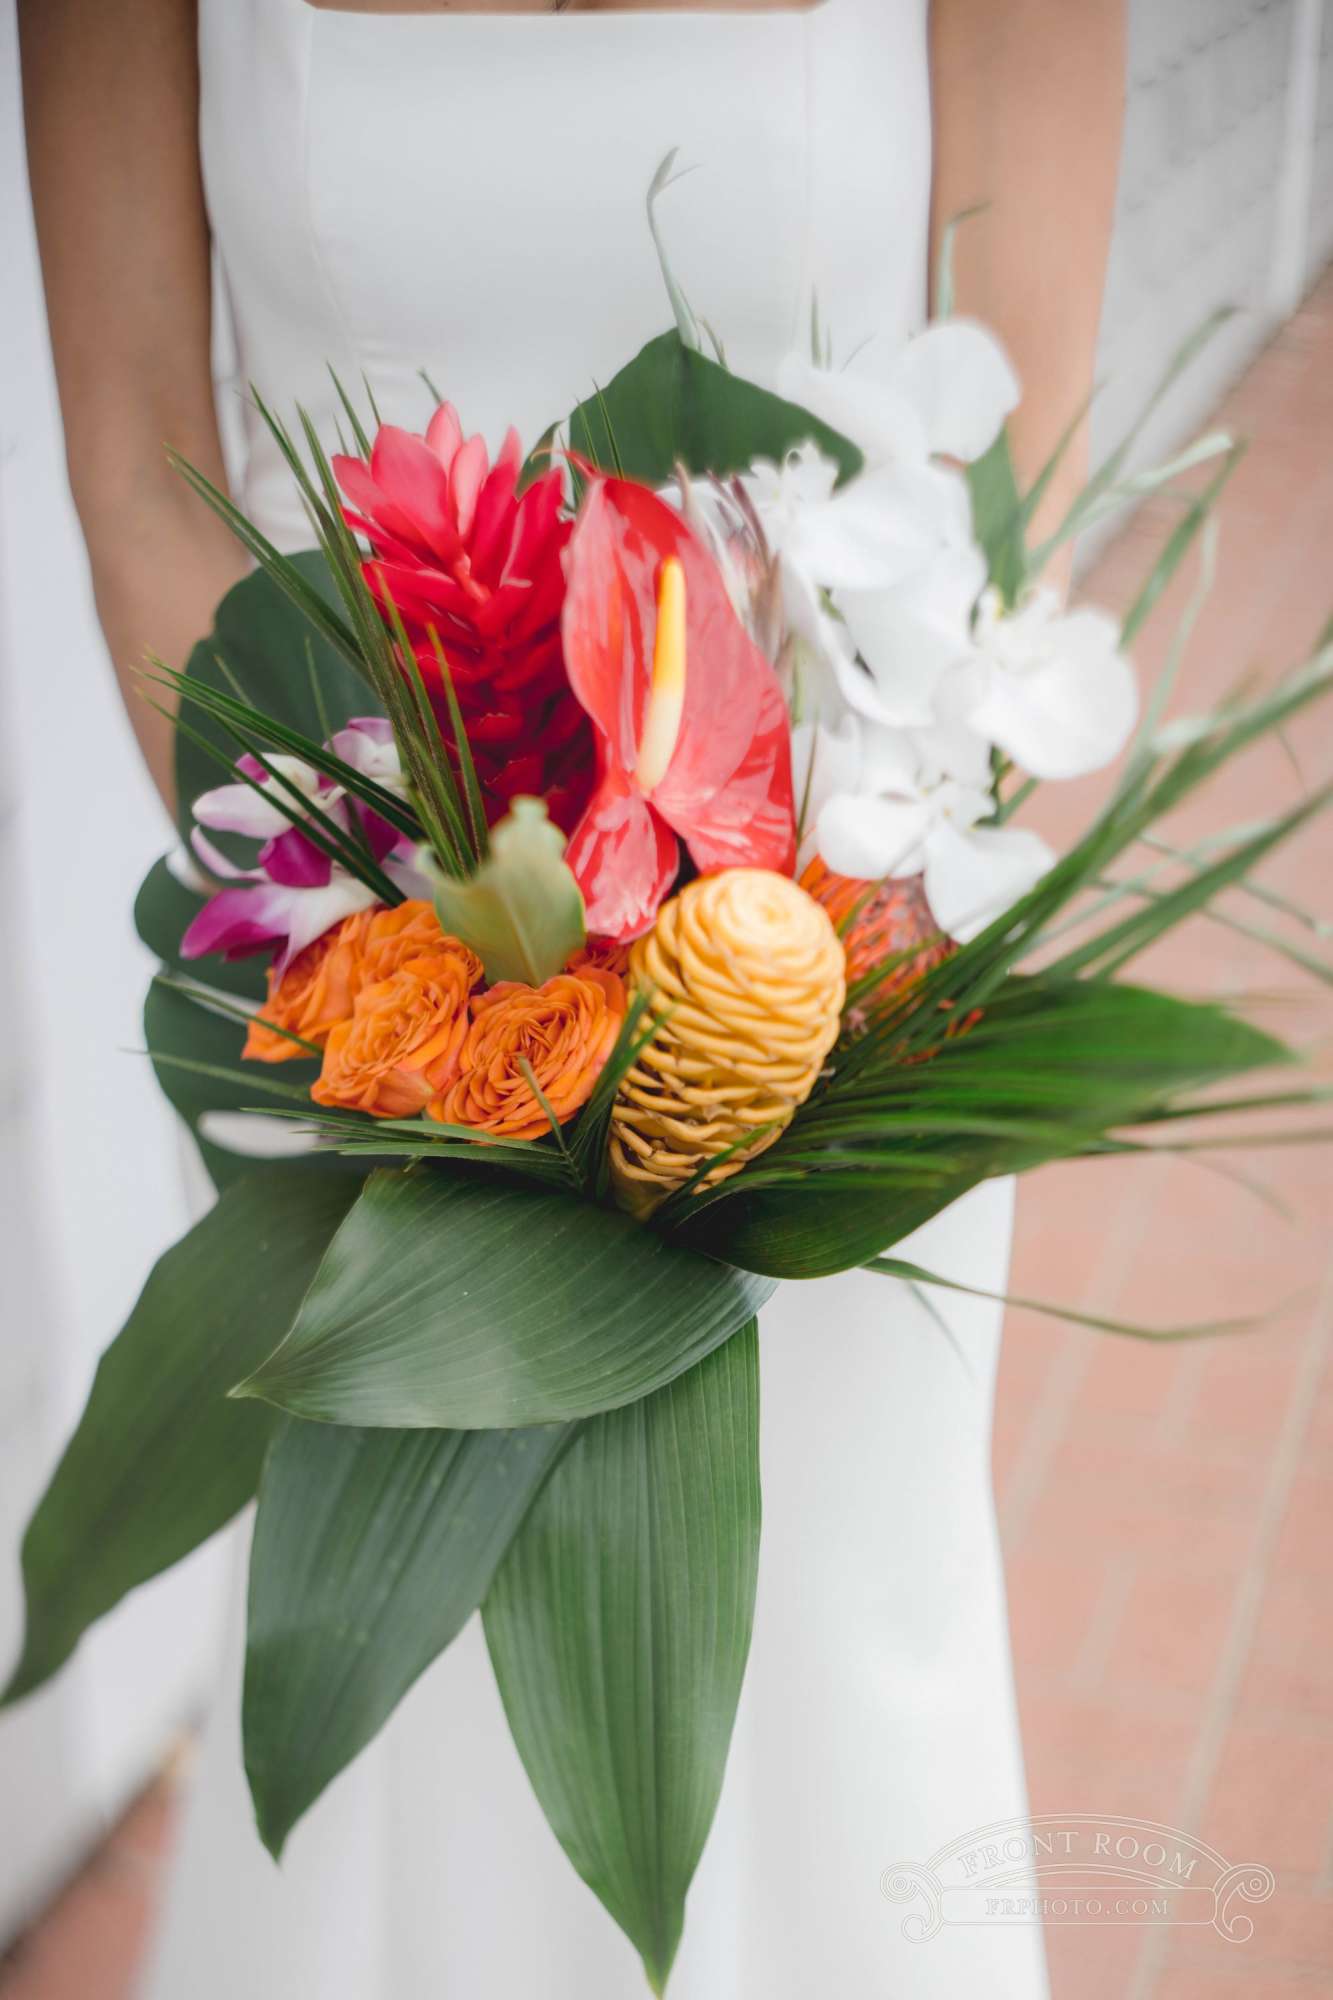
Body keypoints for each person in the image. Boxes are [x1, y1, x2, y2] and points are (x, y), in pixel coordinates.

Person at [19, 1, 1125, 1992]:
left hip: (834, 972)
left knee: (833, 1684)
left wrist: (813, 958)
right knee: (401, 1750)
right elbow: (131, 448)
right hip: (374, 981)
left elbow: (1024, 408)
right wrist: (394, 951)